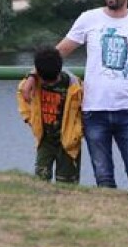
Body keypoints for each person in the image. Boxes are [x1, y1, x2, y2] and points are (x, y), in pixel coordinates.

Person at [23, 0, 128, 190]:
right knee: (103, 177)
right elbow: (61, 51)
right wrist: (32, 74)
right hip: (94, 111)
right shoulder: (89, 19)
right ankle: (108, 222)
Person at [17, 46, 83, 184]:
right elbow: (22, 95)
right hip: (45, 141)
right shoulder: (32, 83)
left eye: (53, 81)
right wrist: (30, 119)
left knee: (67, 184)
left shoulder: (74, 85)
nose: (49, 84)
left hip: (68, 143)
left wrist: (78, 131)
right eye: (46, 82)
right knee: (40, 180)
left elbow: (85, 110)